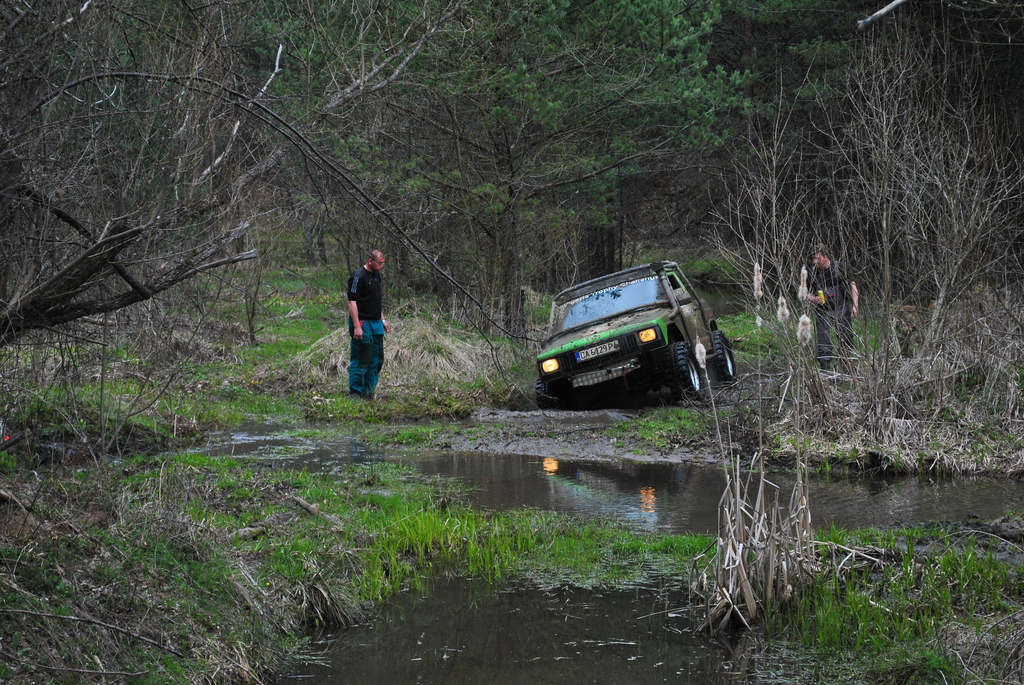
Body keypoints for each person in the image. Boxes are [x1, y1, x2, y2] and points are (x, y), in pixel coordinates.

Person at [805, 244, 859, 370]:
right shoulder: (812, 272)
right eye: (813, 258)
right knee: (823, 342)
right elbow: (804, 292)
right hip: (822, 311)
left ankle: (846, 367)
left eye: (817, 258)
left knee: (846, 338)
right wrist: (813, 299)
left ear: (826, 257)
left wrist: (855, 305)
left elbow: (853, 287)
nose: (814, 261)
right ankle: (825, 370)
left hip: (841, 308)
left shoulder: (840, 267)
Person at [347, 249, 391, 398]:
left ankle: (368, 391)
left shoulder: (377, 276)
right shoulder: (358, 277)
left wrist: (383, 320)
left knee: (377, 359)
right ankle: (355, 392)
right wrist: (357, 327)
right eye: (379, 263)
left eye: (382, 263)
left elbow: (376, 301)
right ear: (370, 260)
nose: (381, 266)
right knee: (362, 358)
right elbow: (352, 302)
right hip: (362, 322)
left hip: (376, 322)